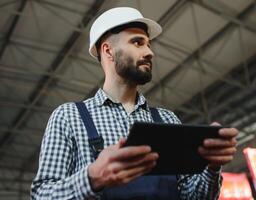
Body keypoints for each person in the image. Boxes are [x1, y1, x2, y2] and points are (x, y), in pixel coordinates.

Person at [31, 7, 238, 200]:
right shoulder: (69, 117)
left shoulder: (167, 119)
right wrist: (92, 178)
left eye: (148, 44)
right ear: (108, 50)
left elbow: (192, 196)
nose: (150, 52)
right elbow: (42, 194)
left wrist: (212, 167)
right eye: (137, 42)